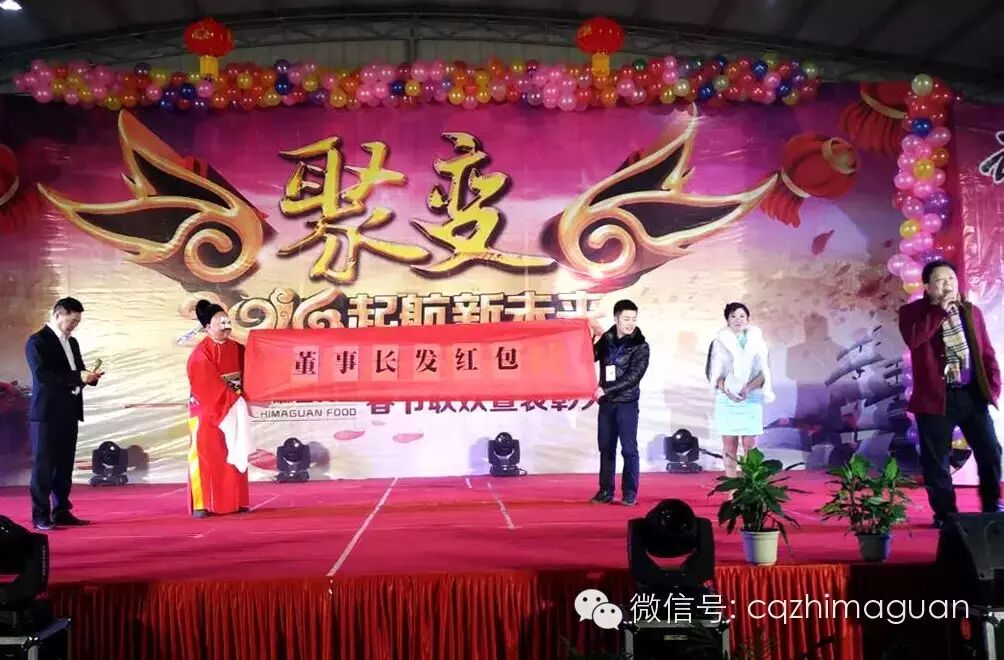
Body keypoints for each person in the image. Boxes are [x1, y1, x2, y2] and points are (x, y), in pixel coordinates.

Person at [898, 260, 1001, 528]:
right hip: (935, 398)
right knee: (936, 461)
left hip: (971, 395)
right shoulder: (912, 312)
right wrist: (940, 311)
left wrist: (992, 386)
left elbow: (986, 352)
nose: (948, 284)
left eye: (952, 279)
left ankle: (992, 506)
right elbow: (915, 339)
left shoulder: (970, 311)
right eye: (941, 280)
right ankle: (946, 515)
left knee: (990, 451)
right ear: (927, 286)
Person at [25, 297, 103, 531]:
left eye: (77, 322)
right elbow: (42, 376)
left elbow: (76, 371)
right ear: (58, 315)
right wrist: (77, 377)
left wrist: (89, 377)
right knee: (44, 466)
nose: (74, 326)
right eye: (72, 321)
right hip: (47, 413)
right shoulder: (37, 341)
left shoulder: (73, 342)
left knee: (64, 465)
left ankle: (61, 511)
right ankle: (40, 515)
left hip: (69, 410)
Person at [186, 300, 252, 518]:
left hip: (233, 404)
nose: (225, 326)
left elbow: (251, 372)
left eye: (227, 321)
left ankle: (237, 501)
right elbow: (206, 384)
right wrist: (232, 400)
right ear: (207, 327)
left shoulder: (237, 348)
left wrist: (242, 400)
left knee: (235, 447)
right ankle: (202, 503)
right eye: (220, 322)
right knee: (206, 454)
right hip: (208, 409)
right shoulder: (200, 353)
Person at [591, 299, 650, 506]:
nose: (630, 323)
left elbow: (633, 377)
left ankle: (630, 493)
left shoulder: (641, 346)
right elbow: (590, 356)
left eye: (633, 319)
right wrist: (588, 335)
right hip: (607, 403)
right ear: (616, 319)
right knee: (606, 448)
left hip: (627, 403)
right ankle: (605, 491)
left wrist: (605, 389)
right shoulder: (606, 339)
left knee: (629, 449)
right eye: (626, 319)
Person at [706, 302, 775, 478]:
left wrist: (748, 388)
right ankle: (731, 486)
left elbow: (765, 372)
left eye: (742, 316)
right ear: (727, 320)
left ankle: (749, 486)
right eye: (733, 316)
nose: (738, 320)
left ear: (748, 319)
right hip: (727, 400)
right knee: (729, 446)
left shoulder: (758, 342)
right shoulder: (718, 342)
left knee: (750, 447)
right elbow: (713, 373)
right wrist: (727, 390)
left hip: (751, 399)